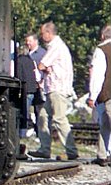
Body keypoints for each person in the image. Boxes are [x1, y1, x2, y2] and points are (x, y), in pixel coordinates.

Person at [29, 21, 78, 160]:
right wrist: (46, 67)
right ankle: (45, 149)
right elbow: (44, 66)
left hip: (58, 88)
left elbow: (41, 65)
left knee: (59, 118)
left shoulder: (56, 46)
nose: (41, 36)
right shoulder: (55, 46)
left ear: (49, 33)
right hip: (52, 89)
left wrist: (45, 67)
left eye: (43, 33)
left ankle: (71, 150)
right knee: (43, 116)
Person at [87, 25, 111, 166]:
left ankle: (103, 155)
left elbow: (98, 75)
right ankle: (102, 154)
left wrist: (92, 95)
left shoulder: (101, 50)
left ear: (102, 36)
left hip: (108, 93)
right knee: (106, 124)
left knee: (107, 123)